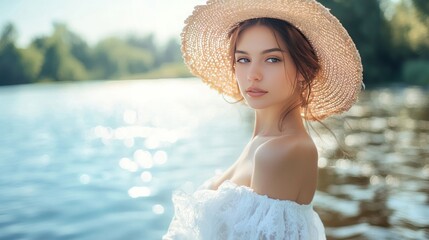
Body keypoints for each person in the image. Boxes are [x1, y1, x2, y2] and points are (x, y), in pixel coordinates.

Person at [163, 0, 363, 239]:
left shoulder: (283, 151)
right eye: (243, 59)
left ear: (304, 71)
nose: (253, 75)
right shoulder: (263, 141)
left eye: (272, 59)